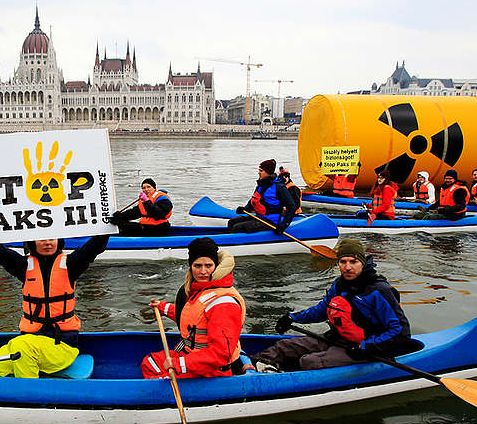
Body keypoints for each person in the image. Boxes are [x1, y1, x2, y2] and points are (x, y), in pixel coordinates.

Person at [254, 238, 414, 371]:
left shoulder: (379, 291)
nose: (348, 267)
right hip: (336, 338)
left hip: (365, 347)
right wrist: (292, 318)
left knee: (309, 362)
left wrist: (367, 347)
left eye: (353, 261)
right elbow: (321, 311)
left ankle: (280, 375)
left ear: (363, 263)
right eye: (343, 262)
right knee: (283, 346)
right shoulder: (339, 285)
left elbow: (401, 332)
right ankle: (250, 366)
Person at [0, 234, 109, 378]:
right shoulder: (23, 266)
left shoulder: (71, 265)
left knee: (22, 346)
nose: (48, 243)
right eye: (42, 239)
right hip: (30, 343)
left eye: (52, 238)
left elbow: (94, 247)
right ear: (33, 242)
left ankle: (28, 392)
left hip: (62, 347)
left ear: (59, 241)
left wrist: (108, 229)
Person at [141, 237, 247, 379]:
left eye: (208, 266)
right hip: (194, 358)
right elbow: (194, 317)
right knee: (150, 363)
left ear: (216, 266)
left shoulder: (224, 302)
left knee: (160, 377)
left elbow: (220, 354)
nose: (203, 271)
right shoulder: (202, 289)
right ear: (191, 266)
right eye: (198, 266)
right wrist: (163, 308)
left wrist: (178, 364)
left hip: (213, 370)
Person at [226, 159, 295, 233]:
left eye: (261, 171)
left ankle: (235, 242)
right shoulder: (261, 184)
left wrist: (283, 225)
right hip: (259, 217)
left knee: (237, 228)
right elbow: (254, 200)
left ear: (268, 173)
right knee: (231, 222)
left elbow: (291, 207)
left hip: (271, 221)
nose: (258, 173)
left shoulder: (279, 187)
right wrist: (245, 209)